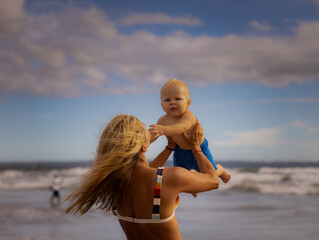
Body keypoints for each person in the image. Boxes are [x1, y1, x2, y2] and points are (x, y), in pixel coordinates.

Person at [65, 114, 220, 240]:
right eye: (145, 130)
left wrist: (168, 147)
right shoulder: (170, 177)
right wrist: (195, 147)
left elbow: (142, 169)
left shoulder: (113, 184)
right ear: (142, 146)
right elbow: (213, 181)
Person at [150, 78, 231, 183]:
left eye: (178, 98)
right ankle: (192, 185)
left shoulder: (188, 116)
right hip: (180, 152)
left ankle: (220, 170)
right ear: (162, 106)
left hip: (199, 149)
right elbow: (154, 134)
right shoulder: (162, 120)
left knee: (212, 176)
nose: (172, 102)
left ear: (188, 104)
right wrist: (146, 141)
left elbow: (181, 127)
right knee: (180, 178)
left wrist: (164, 129)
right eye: (167, 100)